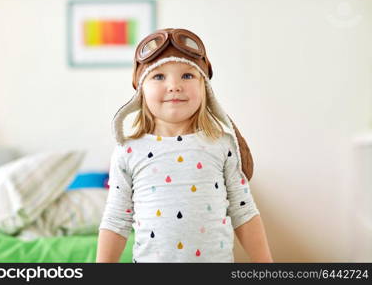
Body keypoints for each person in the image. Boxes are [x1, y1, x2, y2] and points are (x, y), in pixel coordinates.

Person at [96, 28, 272, 263]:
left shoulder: (222, 144)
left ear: (205, 88)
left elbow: (244, 211)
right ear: (140, 90)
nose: (174, 86)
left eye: (187, 76)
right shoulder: (127, 151)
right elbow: (116, 219)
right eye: (159, 76)